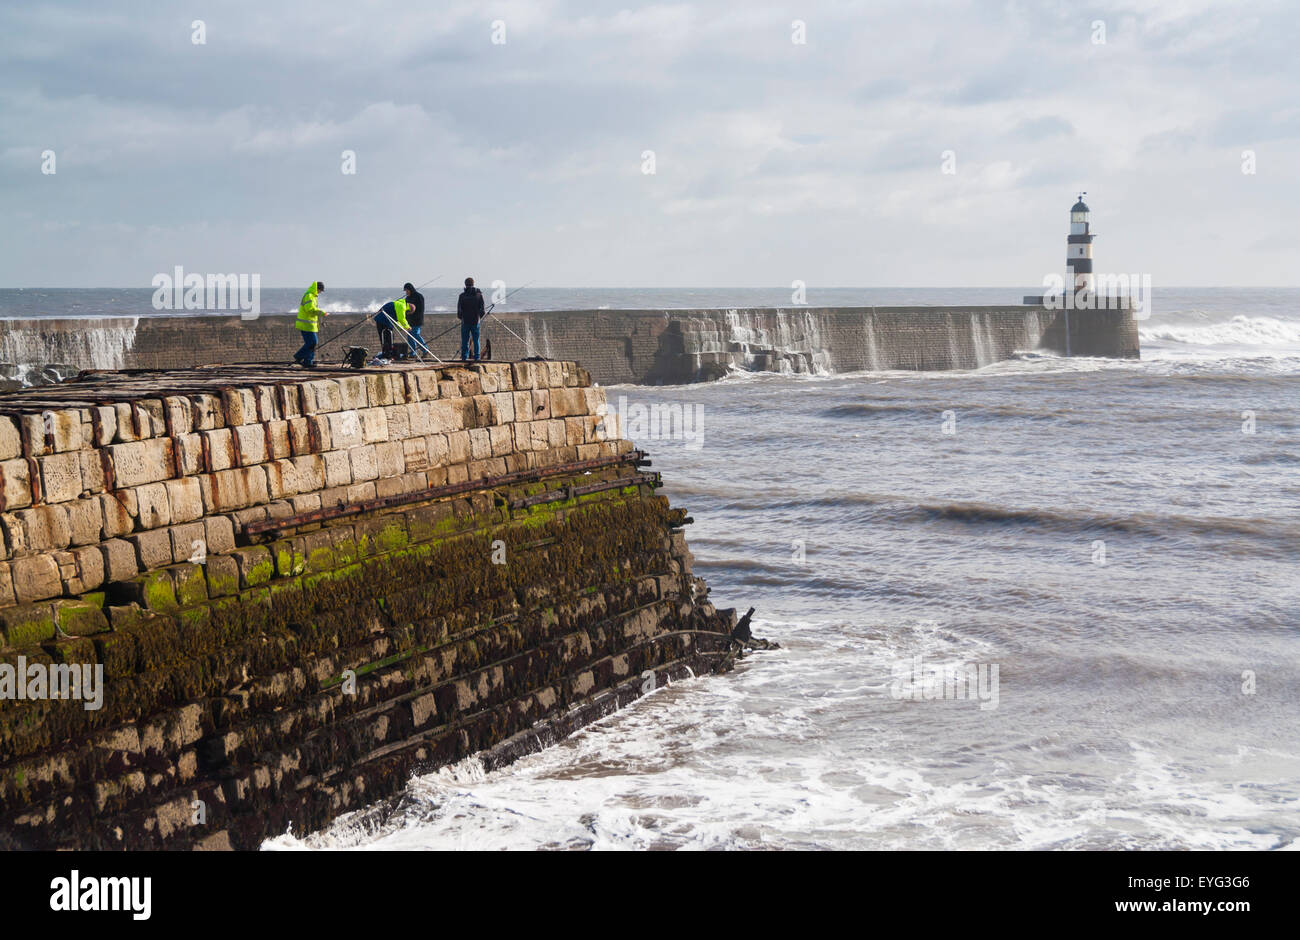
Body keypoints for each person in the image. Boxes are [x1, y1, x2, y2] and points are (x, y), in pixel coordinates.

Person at [294, 281, 328, 368]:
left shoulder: (313, 296)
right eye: (320, 290)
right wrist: (321, 312)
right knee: (313, 342)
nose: (320, 292)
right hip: (305, 324)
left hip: (309, 325)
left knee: (312, 343)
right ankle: (299, 356)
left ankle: (308, 361)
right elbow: (309, 309)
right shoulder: (309, 295)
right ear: (317, 289)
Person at [372, 295, 413, 363]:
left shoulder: (398, 304)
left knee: (387, 338)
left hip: (382, 320)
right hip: (384, 320)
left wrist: (400, 328)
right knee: (387, 338)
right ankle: (387, 354)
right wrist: (407, 327)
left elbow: (396, 320)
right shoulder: (402, 306)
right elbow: (401, 318)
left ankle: (386, 353)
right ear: (408, 310)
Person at [457, 277, 485, 362]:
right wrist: (479, 317)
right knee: (476, 340)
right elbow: (482, 310)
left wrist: (461, 317)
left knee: (465, 340)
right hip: (475, 321)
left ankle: (464, 357)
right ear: (473, 284)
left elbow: (459, 309)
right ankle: (477, 357)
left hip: (465, 321)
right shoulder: (479, 295)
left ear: (465, 284)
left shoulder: (462, 296)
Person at [403, 282, 426, 356]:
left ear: (410, 289)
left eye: (407, 290)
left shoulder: (419, 296)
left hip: (417, 320)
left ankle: (425, 350)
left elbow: (421, 309)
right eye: (405, 291)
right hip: (409, 320)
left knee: (416, 335)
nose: (406, 292)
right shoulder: (407, 298)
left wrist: (414, 314)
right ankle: (413, 353)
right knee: (410, 336)